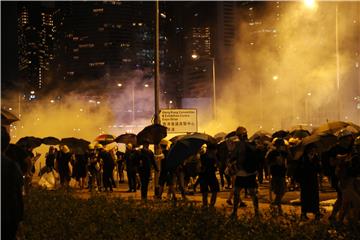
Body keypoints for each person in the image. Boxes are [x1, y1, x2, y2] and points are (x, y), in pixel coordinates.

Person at [230, 126, 260, 218]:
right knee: (253, 193)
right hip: (251, 172)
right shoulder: (252, 143)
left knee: (236, 192)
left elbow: (233, 157)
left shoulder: (238, 145)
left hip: (241, 172)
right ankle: (256, 212)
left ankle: (234, 212)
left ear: (238, 135)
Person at [1, 126, 24, 240]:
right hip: (6, 219)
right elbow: (17, 195)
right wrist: (19, 219)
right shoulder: (12, 167)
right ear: (6, 147)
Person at [296, 143, 321, 220]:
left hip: (313, 179)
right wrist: (298, 180)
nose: (313, 150)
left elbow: (318, 168)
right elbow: (298, 169)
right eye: (312, 149)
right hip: (305, 180)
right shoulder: (302, 157)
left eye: (314, 149)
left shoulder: (316, 157)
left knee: (315, 196)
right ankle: (303, 213)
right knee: (305, 196)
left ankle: (316, 212)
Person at [266, 138, 289, 215]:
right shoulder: (272, 153)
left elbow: (290, 157)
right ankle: (278, 208)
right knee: (279, 191)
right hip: (275, 174)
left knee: (282, 191)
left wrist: (288, 149)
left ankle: (275, 204)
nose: (281, 147)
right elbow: (267, 162)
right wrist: (275, 162)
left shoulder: (283, 153)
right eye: (280, 145)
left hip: (282, 173)